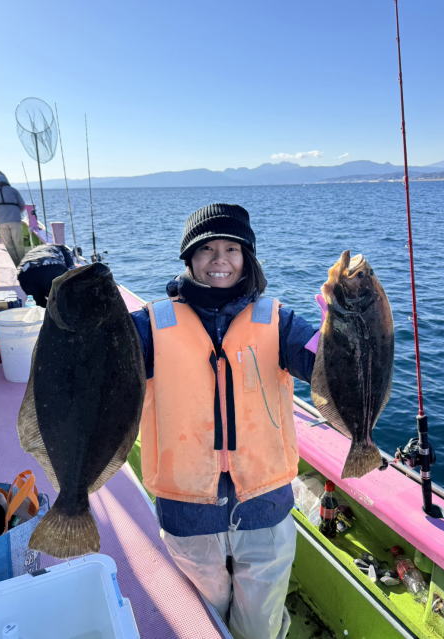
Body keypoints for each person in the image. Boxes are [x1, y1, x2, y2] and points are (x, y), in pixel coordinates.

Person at [131, 203, 318, 639]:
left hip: (265, 504)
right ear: (189, 258)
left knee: (259, 626)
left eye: (231, 249)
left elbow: (323, 365)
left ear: (246, 257)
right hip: (186, 510)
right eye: (207, 249)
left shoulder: (280, 321)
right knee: (205, 624)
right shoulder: (148, 325)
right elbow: (98, 368)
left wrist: (344, 330)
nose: (220, 260)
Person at [0, 171, 26, 266]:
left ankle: (16, 264)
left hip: (1, 221)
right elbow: (22, 205)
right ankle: (23, 264)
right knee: (18, 243)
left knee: (8, 245)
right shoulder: (13, 190)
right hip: (15, 220)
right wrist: (16, 213)